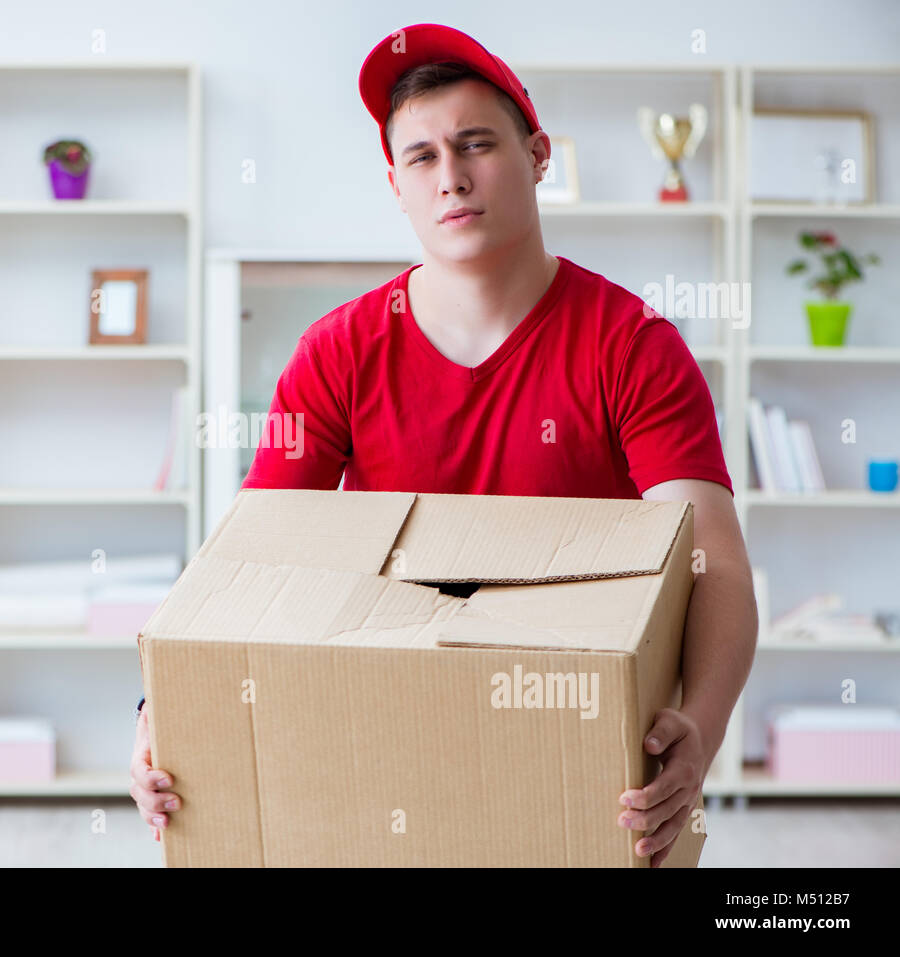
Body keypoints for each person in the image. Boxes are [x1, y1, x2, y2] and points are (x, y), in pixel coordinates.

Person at [131, 23, 758, 867]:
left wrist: (704, 731)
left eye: (476, 144)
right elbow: (251, 563)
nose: (452, 177)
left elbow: (711, 560)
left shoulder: (632, 344)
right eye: (421, 157)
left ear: (539, 155)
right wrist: (154, 716)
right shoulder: (339, 350)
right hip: (383, 754)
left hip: (583, 765)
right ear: (396, 183)